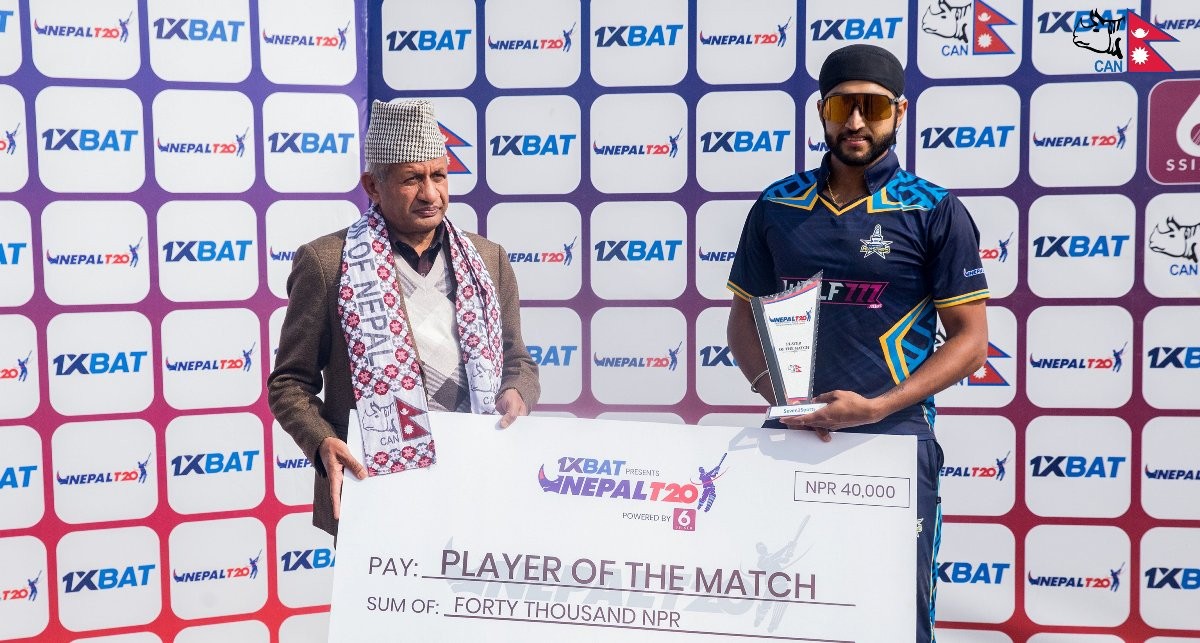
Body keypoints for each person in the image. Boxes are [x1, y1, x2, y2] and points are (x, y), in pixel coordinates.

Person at [725, 44, 989, 643]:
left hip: (892, 441)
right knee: (781, 617)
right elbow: (742, 321)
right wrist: (780, 399)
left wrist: (875, 408)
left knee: (894, 614)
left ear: (900, 111)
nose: (856, 122)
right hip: (793, 440)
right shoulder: (777, 204)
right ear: (822, 110)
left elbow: (971, 342)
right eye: (843, 106)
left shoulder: (934, 209)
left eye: (873, 106)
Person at [269, 100, 540, 537]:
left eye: (439, 176)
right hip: (373, 489)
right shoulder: (327, 263)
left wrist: (517, 391)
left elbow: (518, 360)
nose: (431, 194)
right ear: (373, 186)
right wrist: (321, 440)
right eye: (412, 179)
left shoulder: (488, 260)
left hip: (475, 483)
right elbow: (289, 382)